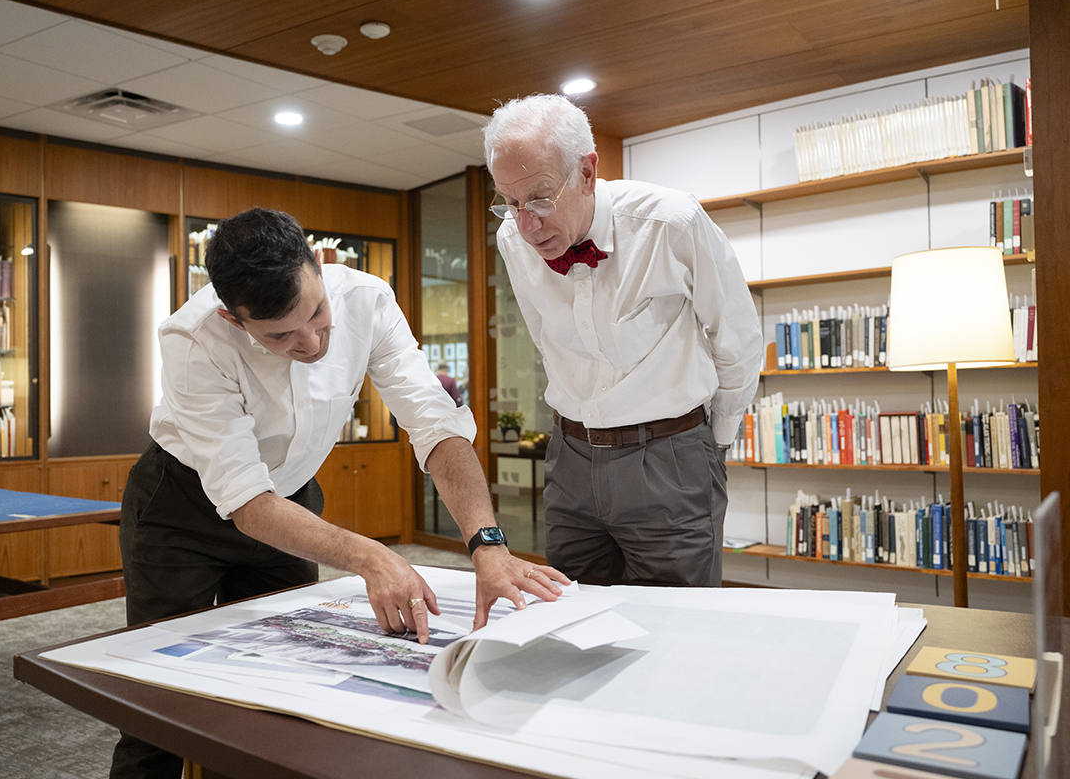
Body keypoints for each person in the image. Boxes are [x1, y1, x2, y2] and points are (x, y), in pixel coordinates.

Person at [111, 207, 568, 779]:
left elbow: (436, 425)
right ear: (234, 319)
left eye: (317, 313)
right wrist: (372, 557)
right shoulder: (192, 338)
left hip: (291, 504)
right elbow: (247, 501)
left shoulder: (369, 300)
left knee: (284, 688)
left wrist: (488, 542)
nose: (311, 341)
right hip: (181, 511)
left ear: (320, 268)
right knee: (161, 700)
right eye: (280, 335)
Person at [482, 94, 762, 589]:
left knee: (673, 633)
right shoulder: (513, 239)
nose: (527, 224)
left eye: (541, 198)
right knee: (571, 624)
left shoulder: (670, 223)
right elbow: (544, 338)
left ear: (587, 173)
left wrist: (712, 444)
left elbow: (737, 339)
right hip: (570, 459)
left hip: (669, 456)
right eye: (510, 202)